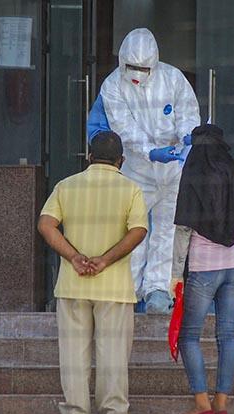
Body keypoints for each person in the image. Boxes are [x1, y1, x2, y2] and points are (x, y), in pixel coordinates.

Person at [87, 28, 201, 313]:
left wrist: (186, 139)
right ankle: (130, 288)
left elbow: (188, 115)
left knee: (167, 230)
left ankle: (158, 290)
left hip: (174, 168)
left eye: (144, 67)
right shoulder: (113, 86)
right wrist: (150, 152)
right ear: (122, 61)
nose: (138, 73)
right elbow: (123, 126)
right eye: (132, 67)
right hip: (137, 169)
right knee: (135, 230)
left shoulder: (173, 78)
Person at [37, 131, 148, 414]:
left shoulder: (66, 186)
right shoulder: (131, 189)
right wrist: (105, 260)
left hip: (73, 284)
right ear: (120, 160)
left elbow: (46, 225)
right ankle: (113, 412)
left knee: (73, 352)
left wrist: (74, 257)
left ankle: (74, 412)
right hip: (114, 286)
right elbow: (138, 230)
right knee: (112, 352)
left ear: (88, 157)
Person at [167, 124, 234, 414]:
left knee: (189, 336)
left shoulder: (194, 174)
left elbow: (183, 229)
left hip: (204, 268)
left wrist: (176, 273)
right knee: (228, 336)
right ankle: (221, 406)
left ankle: (202, 404)